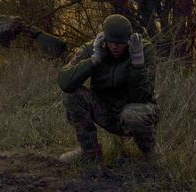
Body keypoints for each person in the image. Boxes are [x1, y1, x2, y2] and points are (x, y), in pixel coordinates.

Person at [57, 14, 158, 173]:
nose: (115, 47)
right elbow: (65, 82)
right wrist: (94, 60)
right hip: (105, 110)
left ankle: (151, 156)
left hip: (134, 109)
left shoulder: (144, 49)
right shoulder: (92, 48)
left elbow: (143, 97)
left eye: (120, 43)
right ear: (104, 39)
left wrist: (137, 64)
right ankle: (89, 152)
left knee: (133, 114)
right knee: (71, 94)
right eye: (111, 42)